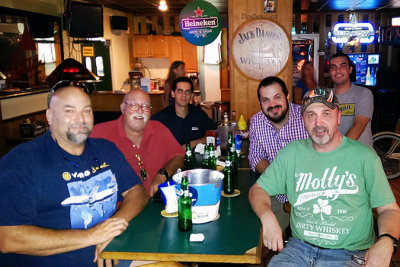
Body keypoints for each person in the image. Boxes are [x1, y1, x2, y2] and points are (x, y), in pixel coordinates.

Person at [0, 84, 148, 267]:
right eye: (69, 111)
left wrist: (112, 229)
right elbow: (7, 238)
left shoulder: (106, 149)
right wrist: (92, 235)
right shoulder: (21, 163)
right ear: (49, 116)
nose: (80, 119)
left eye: (86, 111)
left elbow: (137, 192)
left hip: (112, 252)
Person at [249, 88, 400, 267]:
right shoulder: (292, 153)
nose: (318, 123)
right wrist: (267, 216)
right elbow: (258, 190)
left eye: (326, 113)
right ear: (303, 120)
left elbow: (389, 210)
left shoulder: (364, 157)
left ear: (338, 117)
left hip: (349, 254)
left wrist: (387, 241)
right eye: (311, 115)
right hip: (298, 250)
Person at [90, 89, 185, 197]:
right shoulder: (99, 134)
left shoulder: (159, 129)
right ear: (122, 108)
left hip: (156, 203)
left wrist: (163, 173)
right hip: (120, 207)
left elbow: (179, 155)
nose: (140, 111)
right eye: (133, 105)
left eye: (145, 106)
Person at [249, 76, 309, 230]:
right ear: (260, 103)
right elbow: (255, 156)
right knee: (259, 235)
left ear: (287, 97)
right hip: (277, 195)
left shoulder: (307, 118)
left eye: (277, 97)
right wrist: (280, 178)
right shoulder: (257, 121)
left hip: (308, 192)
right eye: (266, 100)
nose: (272, 104)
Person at [151, 76, 216, 148]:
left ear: (191, 95)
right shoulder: (160, 118)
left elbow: (213, 135)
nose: (184, 95)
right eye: (180, 91)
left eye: (187, 92)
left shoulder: (199, 114)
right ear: (173, 93)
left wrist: (191, 144)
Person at [329, 52, 374, 146]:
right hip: (333, 154)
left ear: (350, 69)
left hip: (359, 155)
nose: (338, 71)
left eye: (343, 66)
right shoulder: (326, 97)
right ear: (330, 72)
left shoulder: (363, 93)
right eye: (333, 67)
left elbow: (359, 125)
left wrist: (339, 150)